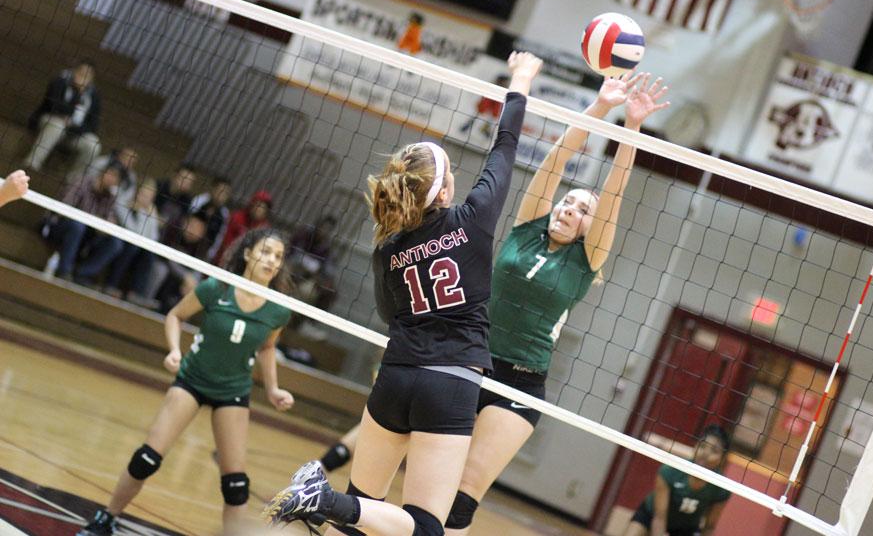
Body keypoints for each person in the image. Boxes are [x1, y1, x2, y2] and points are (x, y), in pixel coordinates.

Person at [262, 51, 544, 535]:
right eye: (450, 172)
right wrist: (520, 80)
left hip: (395, 376)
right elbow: (505, 148)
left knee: (364, 510)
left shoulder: (388, 246)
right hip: (449, 383)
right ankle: (323, 497)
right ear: (441, 191)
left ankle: (331, 501)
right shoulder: (471, 220)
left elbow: (391, 313)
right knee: (425, 528)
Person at [444, 72, 670, 535]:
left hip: (521, 382)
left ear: (592, 226)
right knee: (431, 475)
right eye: (568, 202)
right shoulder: (528, 227)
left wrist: (632, 126)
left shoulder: (586, 259)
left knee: (466, 486)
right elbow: (555, 162)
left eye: (583, 210)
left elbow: (615, 194)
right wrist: (598, 109)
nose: (570, 208)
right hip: (468, 359)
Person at [77, 229, 296, 536]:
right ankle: (107, 517)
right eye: (266, 251)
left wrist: (272, 389)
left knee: (236, 485)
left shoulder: (279, 309)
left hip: (232, 391)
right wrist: (174, 350)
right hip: (192, 380)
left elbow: (268, 347)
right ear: (247, 254)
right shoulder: (216, 287)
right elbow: (175, 316)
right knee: (147, 459)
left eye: (278, 256)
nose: (272, 260)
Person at [625, 426, 732, 536]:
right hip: (650, 516)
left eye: (714, 451)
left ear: (722, 459)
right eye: (702, 446)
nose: (705, 454)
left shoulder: (722, 487)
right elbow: (659, 518)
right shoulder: (670, 471)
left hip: (686, 529)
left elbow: (709, 527)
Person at [44, 161, 124, 281]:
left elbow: (110, 220)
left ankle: (81, 273)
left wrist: (106, 225)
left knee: (115, 243)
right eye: (111, 174)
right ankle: (64, 271)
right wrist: (92, 219)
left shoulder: (110, 197)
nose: (112, 179)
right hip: (59, 227)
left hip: (86, 235)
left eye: (116, 178)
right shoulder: (82, 182)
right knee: (77, 225)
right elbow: (63, 209)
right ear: (103, 172)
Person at [26, 60, 102, 180]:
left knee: (93, 145)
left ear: (92, 78)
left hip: (73, 133)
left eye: (87, 75)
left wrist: (72, 126)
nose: (83, 77)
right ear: (75, 71)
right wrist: (77, 93)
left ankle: (72, 181)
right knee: (58, 125)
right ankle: (31, 166)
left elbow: (93, 125)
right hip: (48, 123)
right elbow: (54, 107)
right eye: (81, 72)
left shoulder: (94, 95)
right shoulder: (60, 82)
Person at [102, 179, 162, 298]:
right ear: (137, 193)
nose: (145, 199)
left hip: (138, 245)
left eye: (149, 197)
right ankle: (111, 285)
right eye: (143, 194)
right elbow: (133, 230)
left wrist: (151, 216)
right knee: (132, 247)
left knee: (149, 254)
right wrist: (141, 211)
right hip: (121, 241)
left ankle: (136, 294)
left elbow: (155, 237)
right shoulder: (124, 204)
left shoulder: (150, 211)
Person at [215, 190, 273, 265]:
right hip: (224, 259)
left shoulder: (265, 228)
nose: (259, 209)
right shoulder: (237, 217)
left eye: (263, 207)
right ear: (252, 204)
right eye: (258, 205)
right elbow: (226, 242)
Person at [190, 176, 232, 261]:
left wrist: (210, 255)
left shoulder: (225, 214)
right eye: (219, 190)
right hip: (186, 245)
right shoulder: (199, 200)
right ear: (213, 189)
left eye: (225, 193)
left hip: (202, 254)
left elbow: (220, 237)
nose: (221, 195)